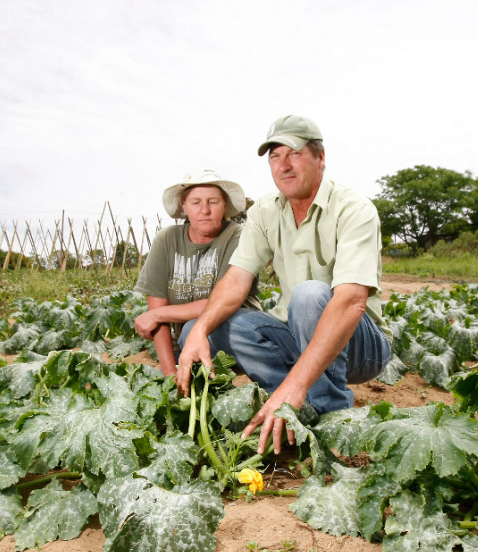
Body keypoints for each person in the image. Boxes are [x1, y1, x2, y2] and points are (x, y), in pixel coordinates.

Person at [177, 115, 392, 455]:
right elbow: (236, 280)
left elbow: (351, 301)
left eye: (293, 153)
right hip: (296, 336)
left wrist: (295, 383)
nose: (283, 165)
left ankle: (331, 421)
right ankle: (293, 402)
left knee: (310, 295)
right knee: (196, 330)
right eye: (275, 157)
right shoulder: (264, 209)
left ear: (320, 158)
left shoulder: (354, 208)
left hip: (360, 348)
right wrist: (202, 328)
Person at [134, 169, 261, 377]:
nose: (205, 210)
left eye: (213, 202)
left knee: (190, 328)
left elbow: (219, 302)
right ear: (184, 206)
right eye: (195, 202)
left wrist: (157, 314)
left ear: (225, 206)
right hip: (191, 341)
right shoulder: (166, 240)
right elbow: (157, 310)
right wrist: (168, 374)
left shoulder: (237, 236)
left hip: (239, 331)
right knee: (186, 336)